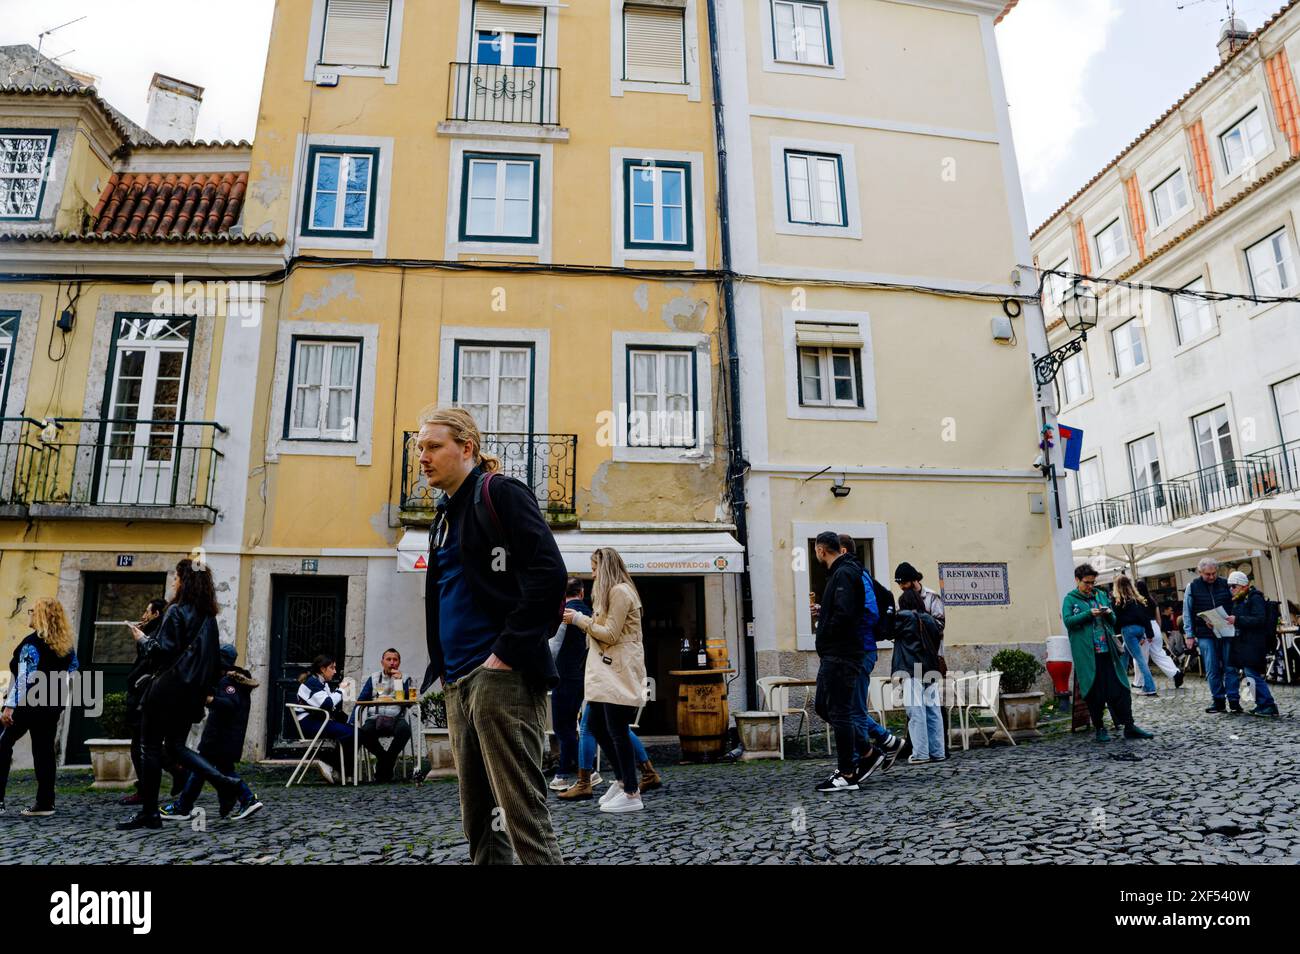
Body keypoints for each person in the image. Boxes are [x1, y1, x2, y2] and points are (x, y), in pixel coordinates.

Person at [417, 406, 565, 864]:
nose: (423, 457)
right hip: (459, 682)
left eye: (433, 446)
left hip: (502, 677)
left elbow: (549, 573)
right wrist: (443, 672)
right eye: (419, 448)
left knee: (523, 818)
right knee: (480, 821)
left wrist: (504, 654)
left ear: (467, 448)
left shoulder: (498, 493)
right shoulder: (442, 519)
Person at [118, 559, 245, 831]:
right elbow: (213, 662)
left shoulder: (175, 612)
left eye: (176, 578)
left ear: (185, 580)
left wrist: (141, 639)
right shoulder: (208, 618)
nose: (174, 582)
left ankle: (150, 813)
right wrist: (205, 693)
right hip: (191, 695)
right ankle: (226, 783)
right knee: (176, 747)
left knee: (150, 747)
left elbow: (160, 653)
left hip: (165, 691)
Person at [565, 547, 649, 814]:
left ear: (606, 568)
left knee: (617, 729)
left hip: (618, 671)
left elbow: (611, 634)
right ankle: (625, 781)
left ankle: (632, 792)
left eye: (594, 568)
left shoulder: (620, 592)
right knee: (600, 727)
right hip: (608, 671)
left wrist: (580, 620)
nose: (593, 574)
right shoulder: (611, 593)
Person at [162, 643, 263, 820]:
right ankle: (246, 799)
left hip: (220, 737)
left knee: (199, 769)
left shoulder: (228, 682)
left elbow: (230, 704)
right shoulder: (233, 680)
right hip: (225, 736)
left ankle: (183, 807)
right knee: (221, 770)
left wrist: (209, 699)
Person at [0, 598, 79, 817]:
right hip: (51, 704)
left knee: (3, 743)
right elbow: (73, 669)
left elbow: (25, 678)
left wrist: (9, 706)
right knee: (44, 751)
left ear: (41, 616)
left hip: (27, 703)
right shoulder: (65, 645)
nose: (29, 613)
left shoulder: (31, 644)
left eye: (32, 611)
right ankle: (45, 802)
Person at [811, 532, 875, 792]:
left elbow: (845, 614)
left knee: (839, 711)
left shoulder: (844, 574)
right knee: (824, 706)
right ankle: (868, 753)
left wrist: (826, 632)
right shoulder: (841, 573)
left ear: (821, 550)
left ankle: (848, 772)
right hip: (835, 652)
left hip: (841, 653)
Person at [1062, 563, 1153, 742]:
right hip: (1088, 655)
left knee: (1121, 689)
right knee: (1095, 693)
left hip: (1108, 652)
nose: (1090, 586)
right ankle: (1100, 728)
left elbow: (1113, 621)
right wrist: (1089, 614)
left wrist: (1108, 613)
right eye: (1087, 583)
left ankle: (1129, 725)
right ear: (1077, 580)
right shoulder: (1070, 599)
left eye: (1092, 583)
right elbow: (1068, 622)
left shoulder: (1101, 595)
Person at [838, 535, 904, 772]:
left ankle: (861, 758)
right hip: (860, 649)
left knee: (851, 710)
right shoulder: (852, 572)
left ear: (842, 550)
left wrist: (852, 634)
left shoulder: (855, 573)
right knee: (849, 708)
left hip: (861, 649)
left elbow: (869, 611)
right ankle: (887, 742)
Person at [121, 598, 171, 807]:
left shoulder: (156, 635)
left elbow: (153, 660)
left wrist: (142, 639)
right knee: (145, 743)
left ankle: (148, 791)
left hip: (146, 693)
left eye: (147, 611)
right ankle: (176, 772)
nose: (143, 615)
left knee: (142, 745)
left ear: (156, 614)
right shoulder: (153, 631)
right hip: (142, 692)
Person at [557, 702, 660, 800]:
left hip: (606, 687)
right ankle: (645, 774)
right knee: (612, 726)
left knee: (594, 727)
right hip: (607, 687)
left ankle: (586, 783)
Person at [294, 655, 371, 784]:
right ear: (323, 669)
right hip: (310, 724)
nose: (335, 671)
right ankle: (329, 762)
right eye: (332, 668)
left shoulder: (321, 683)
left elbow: (330, 706)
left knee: (358, 733)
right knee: (353, 734)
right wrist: (341, 690)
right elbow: (327, 704)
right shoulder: (312, 683)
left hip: (320, 721)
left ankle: (340, 770)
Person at [893, 589, 946, 763]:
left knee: (916, 711)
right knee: (933, 711)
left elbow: (887, 630)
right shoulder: (930, 619)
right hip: (930, 668)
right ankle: (938, 751)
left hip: (912, 668)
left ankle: (921, 753)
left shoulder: (905, 617)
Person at [1182, 558, 1240, 713]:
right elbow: (1187, 612)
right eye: (1208, 574)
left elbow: (1234, 605)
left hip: (1226, 630)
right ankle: (1219, 701)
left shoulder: (1225, 584)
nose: (1212, 577)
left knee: (1230, 666)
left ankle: (1234, 701)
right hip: (1205, 633)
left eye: (1214, 573)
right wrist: (1189, 634)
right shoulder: (1192, 587)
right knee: (1212, 668)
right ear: (1200, 572)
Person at [549, 579, 590, 792]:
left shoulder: (564, 612)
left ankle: (567, 774)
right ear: (582, 593)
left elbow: (554, 646)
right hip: (584, 675)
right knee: (575, 727)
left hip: (564, 675)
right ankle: (583, 772)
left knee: (562, 727)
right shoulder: (590, 612)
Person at [353, 648, 415, 782]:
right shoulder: (374, 677)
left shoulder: (405, 678)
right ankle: (385, 760)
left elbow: (408, 702)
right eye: (389, 659)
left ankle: (386, 762)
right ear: (382, 662)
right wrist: (352, 720)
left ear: (399, 662)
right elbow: (361, 700)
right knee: (364, 732)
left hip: (396, 717)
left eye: (395, 660)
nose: (392, 663)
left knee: (404, 731)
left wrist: (399, 682)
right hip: (375, 716)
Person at [1226, 571, 1279, 717]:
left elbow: (1259, 619)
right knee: (1250, 673)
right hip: (1244, 642)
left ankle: (1268, 704)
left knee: (1252, 673)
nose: (1231, 589)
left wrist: (1237, 620)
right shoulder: (1240, 599)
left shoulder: (1255, 598)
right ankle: (1262, 704)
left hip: (1254, 642)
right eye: (1229, 586)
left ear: (1243, 585)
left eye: (1233, 586)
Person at [1113, 575, 1159, 697]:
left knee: (1140, 660)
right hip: (1140, 629)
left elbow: (1115, 620)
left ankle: (1150, 687)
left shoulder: (1118, 601)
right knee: (1124, 654)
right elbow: (1146, 617)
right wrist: (1148, 634)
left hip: (1128, 630)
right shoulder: (1137, 599)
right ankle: (1120, 685)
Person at [893, 562, 946, 633]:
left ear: (914, 580)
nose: (901, 587)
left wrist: (920, 620)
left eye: (904, 583)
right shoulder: (901, 600)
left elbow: (940, 625)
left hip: (929, 643)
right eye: (899, 584)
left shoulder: (932, 596)